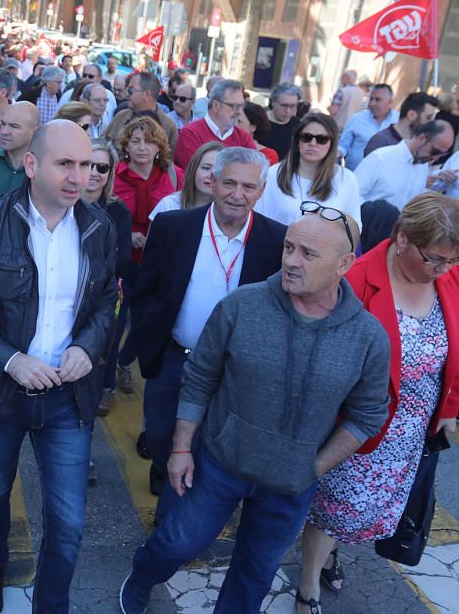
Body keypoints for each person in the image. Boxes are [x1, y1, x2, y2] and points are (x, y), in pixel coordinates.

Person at [119, 205, 390, 614]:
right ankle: (141, 577)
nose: (291, 262)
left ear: (344, 264)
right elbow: (200, 377)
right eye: (289, 248)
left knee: (255, 572)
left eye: (308, 254)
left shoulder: (368, 337)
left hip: (291, 484)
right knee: (178, 542)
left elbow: (368, 414)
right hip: (220, 464)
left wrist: (312, 468)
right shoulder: (242, 305)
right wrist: (180, 449)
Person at [0, 120, 118, 614]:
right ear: (32, 164)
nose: (78, 177)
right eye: (66, 164)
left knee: (69, 519)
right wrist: (11, 360)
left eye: (86, 165)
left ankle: (52, 605)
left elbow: (107, 302)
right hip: (0, 393)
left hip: (68, 395)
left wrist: (88, 345)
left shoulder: (99, 227)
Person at [294, 193, 459, 614]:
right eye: (435, 259)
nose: (443, 269)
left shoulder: (449, 276)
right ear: (402, 238)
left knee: (365, 509)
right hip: (358, 422)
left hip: (413, 426)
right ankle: (308, 584)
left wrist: (450, 409)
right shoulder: (356, 278)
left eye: (450, 261)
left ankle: (331, 551)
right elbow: (321, 359)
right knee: (335, 506)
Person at [126, 146, 287, 514]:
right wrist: (149, 345)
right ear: (212, 183)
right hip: (174, 358)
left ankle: (177, 517)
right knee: (163, 436)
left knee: (213, 448)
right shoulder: (173, 226)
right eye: (229, 183)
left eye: (248, 187)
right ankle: (164, 473)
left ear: (261, 191)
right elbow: (146, 289)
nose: (237, 194)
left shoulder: (276, 239)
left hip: (235, 370)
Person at [84, 138, 133, 416]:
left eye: (101, 167)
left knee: (109, 340)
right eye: (87, 164)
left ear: (110, 173)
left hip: (107, 292)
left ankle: (106, 386)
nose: (93, 172)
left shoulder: (117, 210)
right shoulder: (60, 203)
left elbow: (123, 258)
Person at [256, 114, 362, 227]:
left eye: (322, 139)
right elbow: (257, 217)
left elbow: (354, 226)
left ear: (332, 144)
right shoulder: (273, 174)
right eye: (306, 137)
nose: (313, 143)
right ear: (297, 142)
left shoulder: (346, 179)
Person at [112, 116, 183, 265]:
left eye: (149, 141)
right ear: (126, 146)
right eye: (136, 141)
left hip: (162, 260)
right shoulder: (111, 177)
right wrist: (125, 236)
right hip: (121, 261)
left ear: (159, 146)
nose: (142, 147)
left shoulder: (174, 175)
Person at [356, 120, 455, 210]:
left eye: (442, 154)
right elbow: (352, 196)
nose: (436, 158)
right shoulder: (380, 158)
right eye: (435, 151)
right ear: (422, 138)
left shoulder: (423, 166)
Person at [174, 78, 256, 170]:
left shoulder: (243, 137)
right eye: (234, 106)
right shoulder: (190, 134)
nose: (240, 112)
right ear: (216, 106)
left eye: (241, 106)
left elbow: (255, 171)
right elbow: (198, 175)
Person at [149, 141, 223, 220]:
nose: (211, 176)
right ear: (193, 169)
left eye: (218, 170)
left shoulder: (230, 212)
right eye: (206, 168)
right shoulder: (169, 205)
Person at [338, 83, 397, 170]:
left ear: (390, 102)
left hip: (383, 178)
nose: (372, 103)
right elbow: (343, 146)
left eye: (378, 100)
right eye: (371, 99)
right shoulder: (357, 119)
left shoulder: (398, 121)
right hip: (355, 175)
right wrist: (337, 154)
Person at [363, 92, 439, 157]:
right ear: (411, 115)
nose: (432, 123)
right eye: (428, 118)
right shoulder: (381, 141)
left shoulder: (417, 144)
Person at [261, 83, 303, 160]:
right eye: (284, 105)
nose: (288, 110)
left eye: (293, 106)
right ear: (273, 102)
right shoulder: (259, 120)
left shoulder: (298, 125)